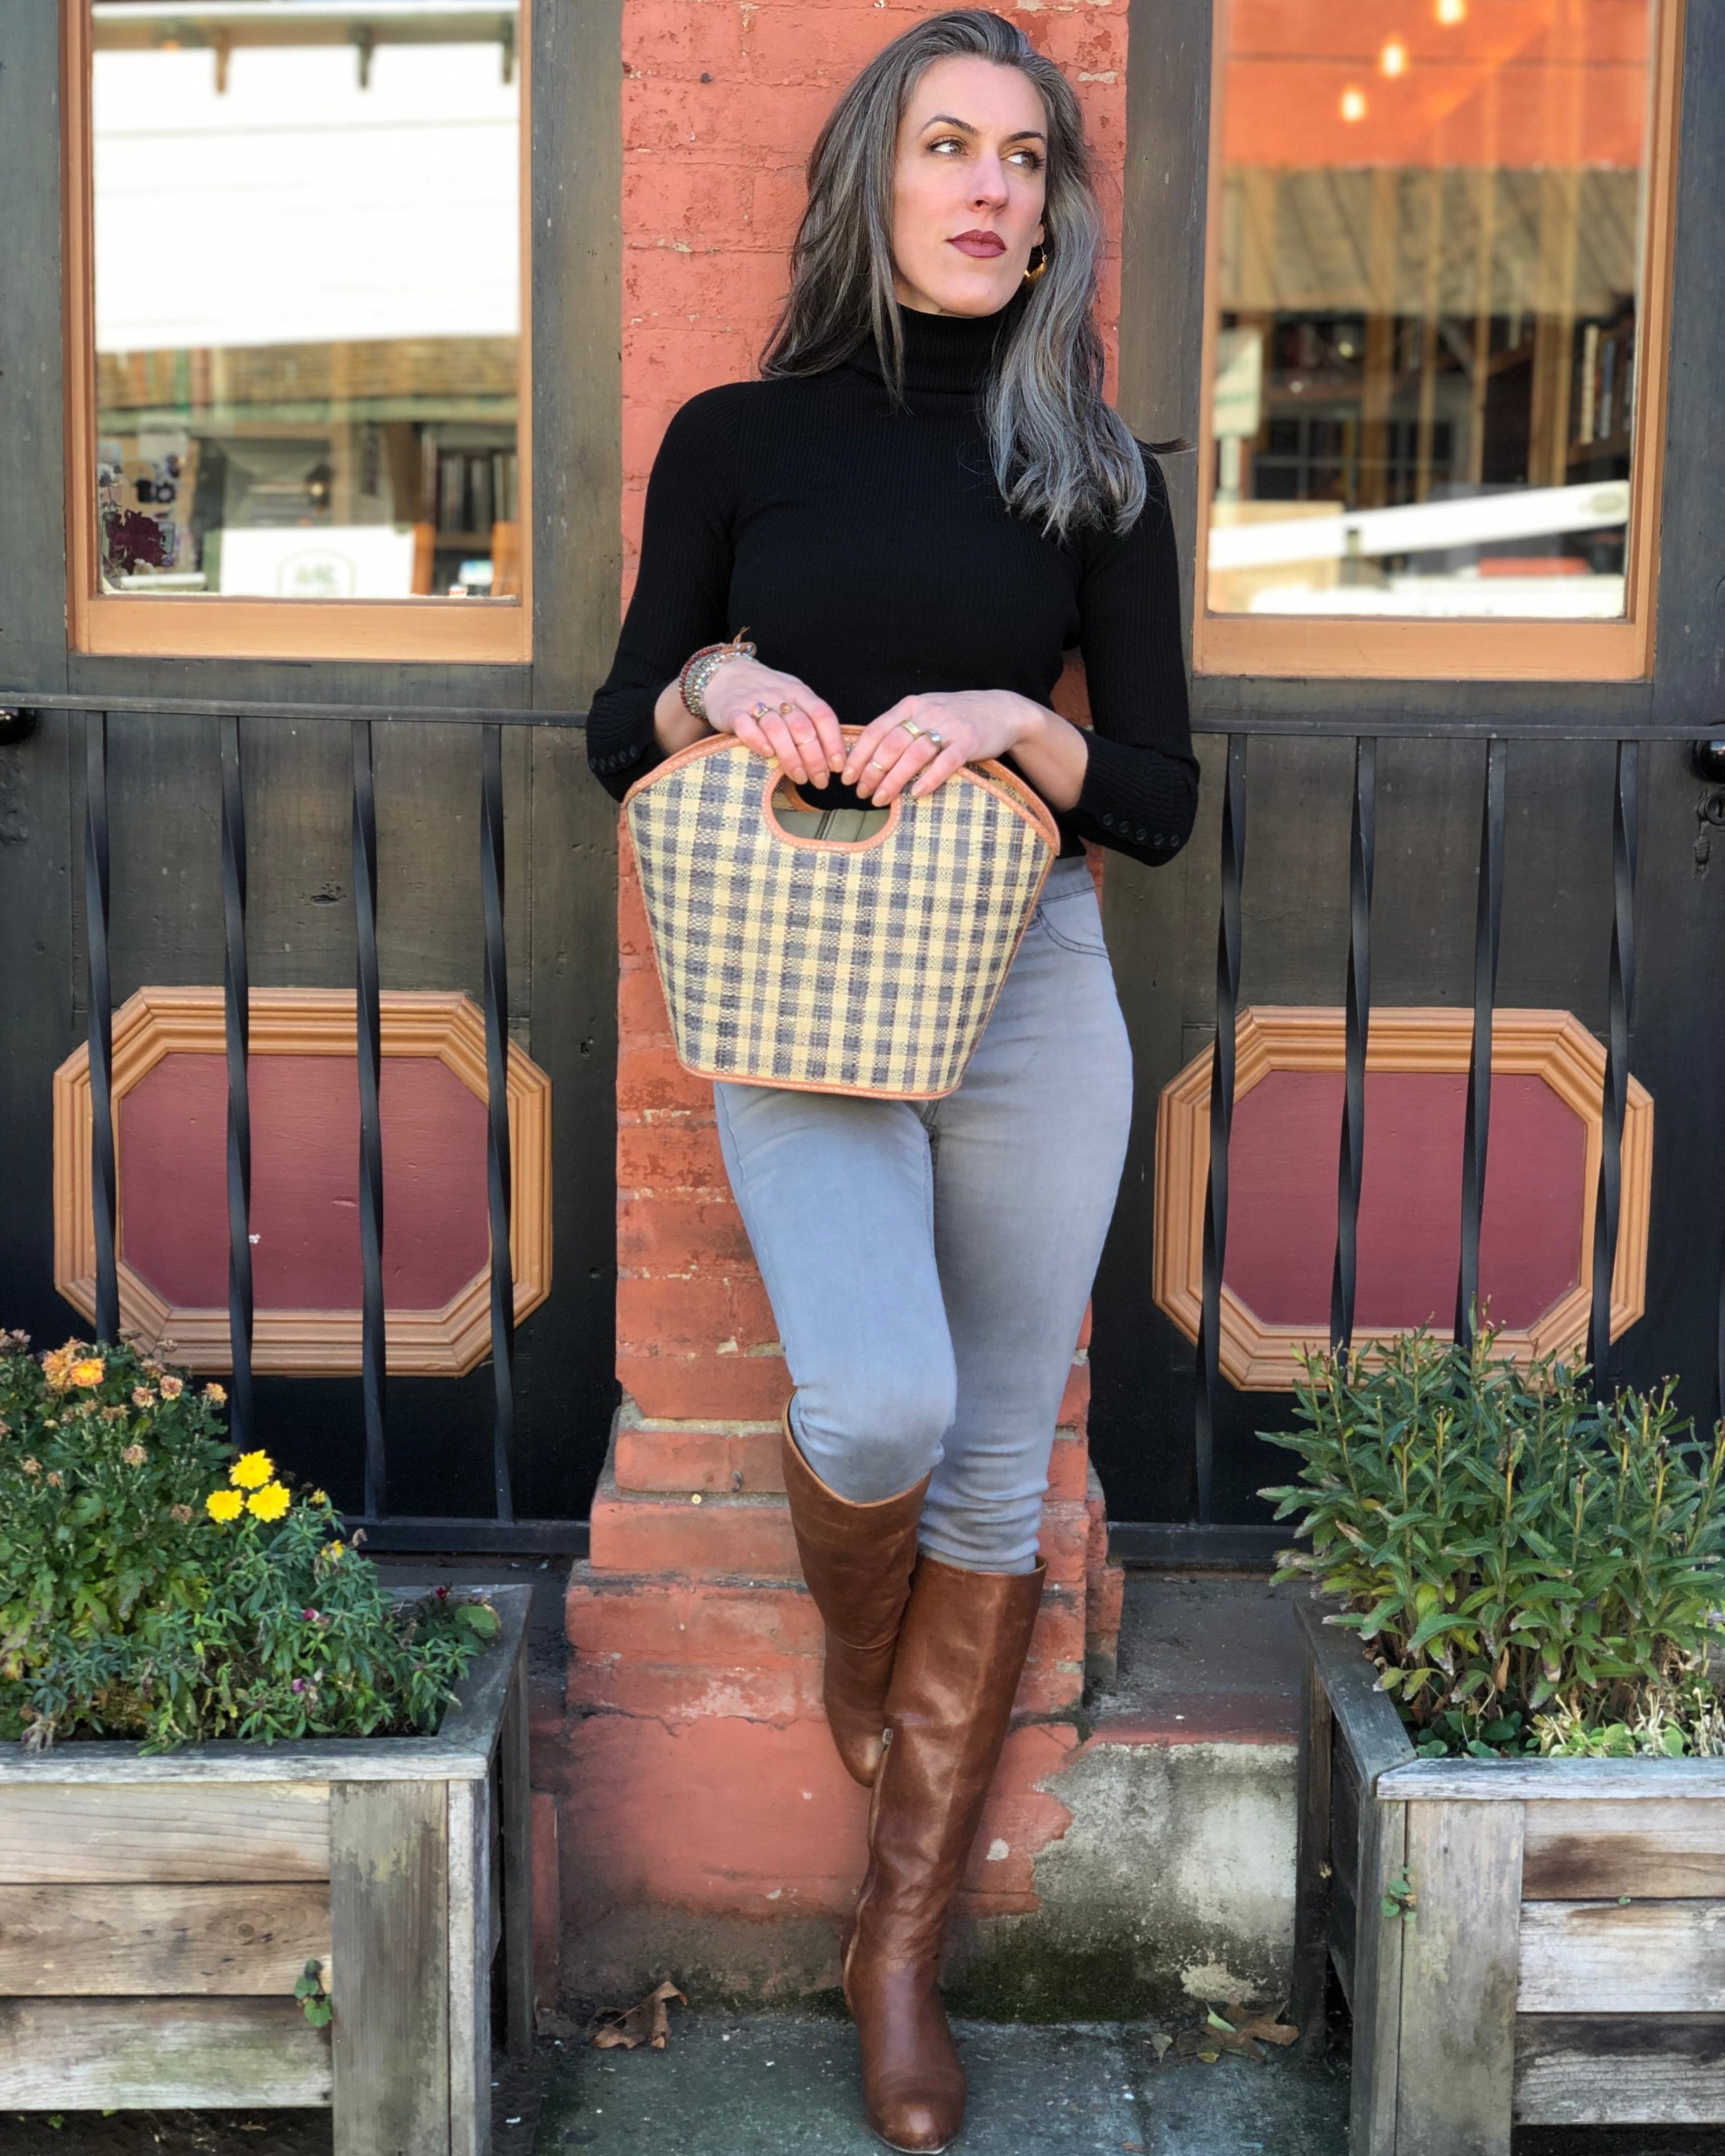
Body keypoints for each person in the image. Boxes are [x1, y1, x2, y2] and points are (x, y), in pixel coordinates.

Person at [586, 11, 1196, 2147]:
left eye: (1026, 161)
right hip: (795, 984)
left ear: (1056, 208)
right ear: (875, 181)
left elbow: (1159, 795)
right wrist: (711, 680)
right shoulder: (737, 436)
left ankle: (898, 1943)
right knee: (882, 1403)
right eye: (951, 148)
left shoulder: (1096, 467)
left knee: (999, 1464)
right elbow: (614, 727)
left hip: (1024, 973)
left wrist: (1009, 720)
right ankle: (871, 1670)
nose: (992, 190)